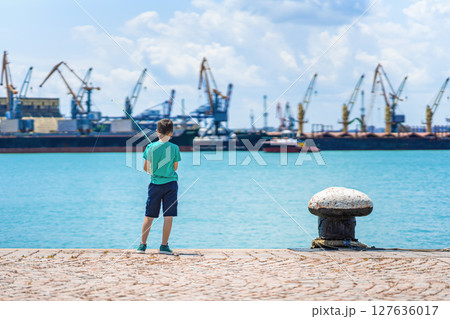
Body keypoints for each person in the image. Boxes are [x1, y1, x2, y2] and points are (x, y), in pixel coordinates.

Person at [137, 118, 181, 254]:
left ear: (157, 131)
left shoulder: (150, 147)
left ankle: (142, 245)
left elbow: (146, 168)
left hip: (154, 185)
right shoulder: (175, 148)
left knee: (149, 215)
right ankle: (164, 246)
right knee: (168, 216)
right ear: (172, 132)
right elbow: (175, 167)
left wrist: (153, 172)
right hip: (171, 185)